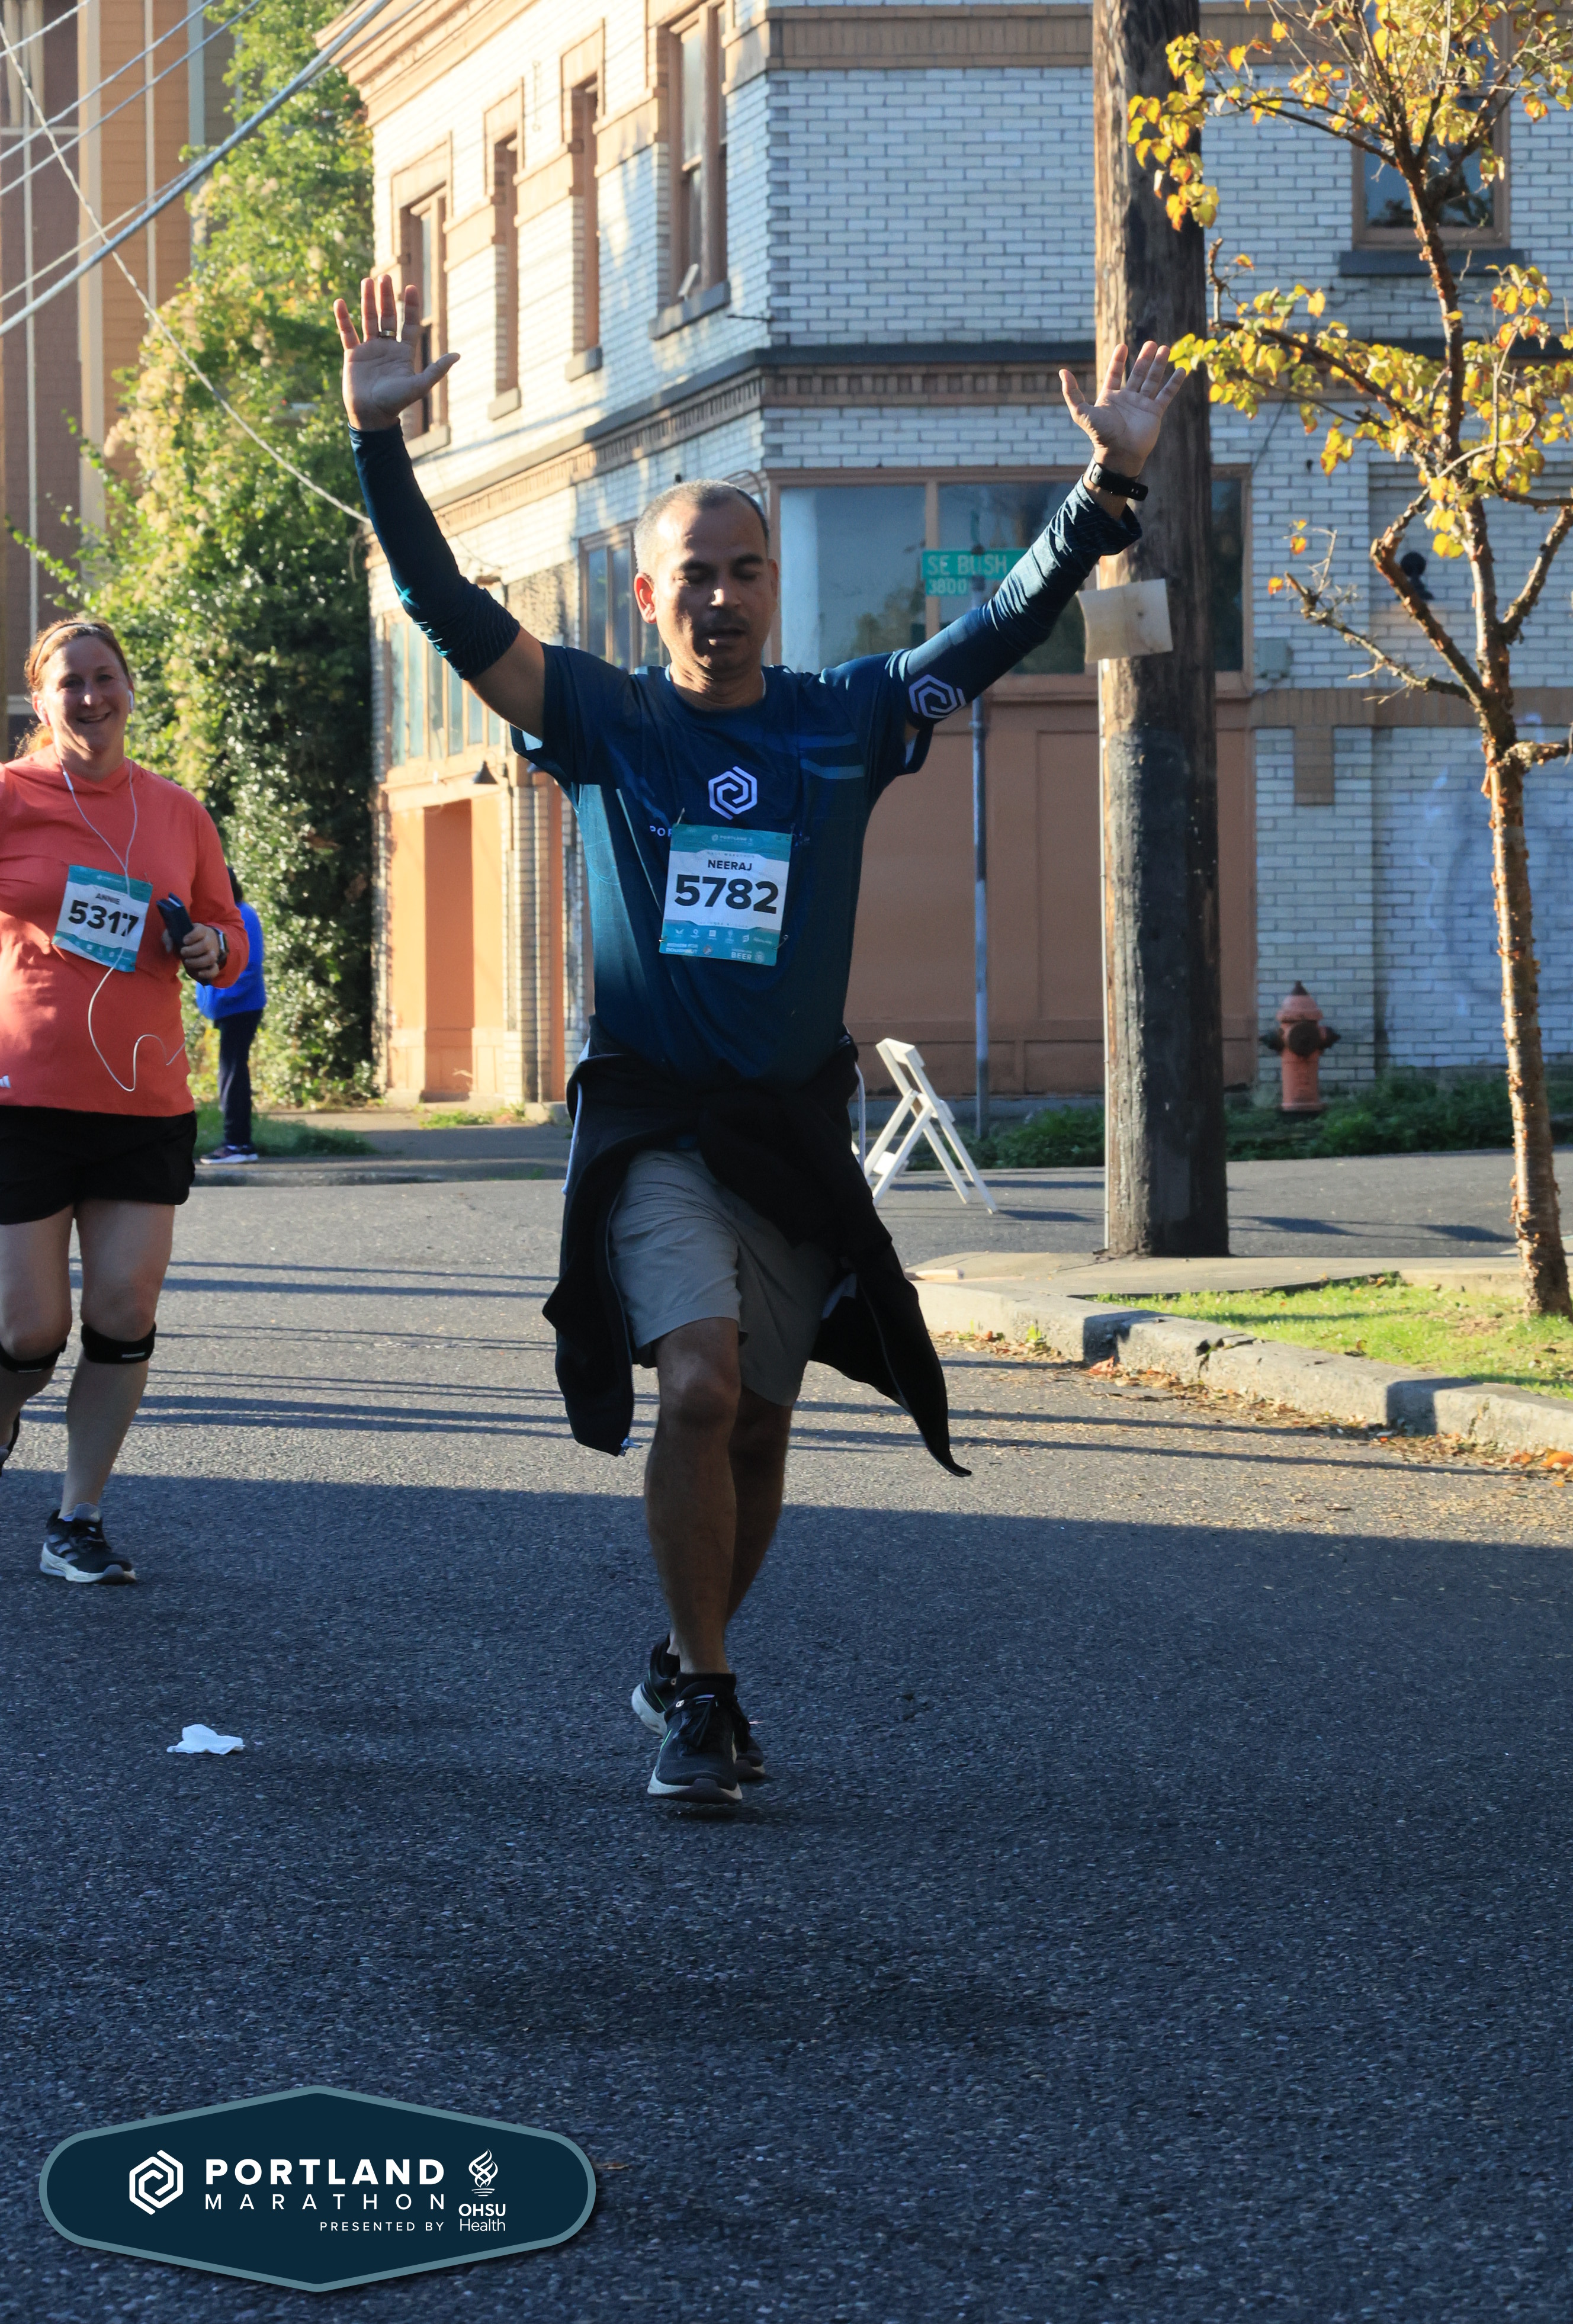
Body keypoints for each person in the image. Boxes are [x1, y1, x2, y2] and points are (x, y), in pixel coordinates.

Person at [336, 273, 1182, 1803]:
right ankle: (710, 1698)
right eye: (693, 577)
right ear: (646, 597)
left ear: (771, 587)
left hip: (787, 1128)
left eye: (743, 572)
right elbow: (448, 612)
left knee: (765, 1428)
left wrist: (1106, 483)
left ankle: (687, 1654)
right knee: (702, 1387)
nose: (719, 598)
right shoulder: (602, 718)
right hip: (658, 1120)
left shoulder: (843, 717)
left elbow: (1001, 626)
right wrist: (380, 448)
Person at [0, 617, 245, 1583]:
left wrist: (214, 949)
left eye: (105, 677)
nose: (91, 696)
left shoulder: (177, 812)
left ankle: (79, 1516)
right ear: (41, 697)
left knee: (124, 1308)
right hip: (24, 1097)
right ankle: (7, 1406)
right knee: (29, 1331)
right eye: (71, 682)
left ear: (129, 688)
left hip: (144, 1099)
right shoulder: (10, 797)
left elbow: (226, 925)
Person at [197, 866, 267, 1166]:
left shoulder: (243, 916)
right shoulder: (222, 919)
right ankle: (238, 1142)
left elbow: (249, 967)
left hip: (241, 1008)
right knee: (231, 1072)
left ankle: (238, 1143)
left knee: (232, 1074)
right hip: (231, 1009)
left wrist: (220, 999)